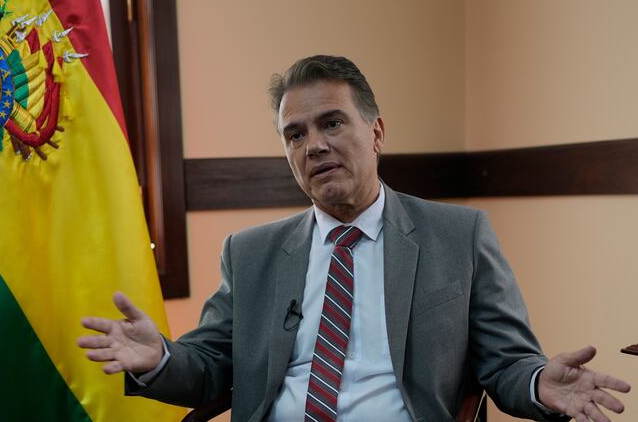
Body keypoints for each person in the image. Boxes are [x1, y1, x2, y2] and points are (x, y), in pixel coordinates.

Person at [78, 55, 630, 421]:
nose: (313, 145)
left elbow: (507, 362)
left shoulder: (457, 236)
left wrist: (539, 385)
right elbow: (209, 365)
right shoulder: (249, 253)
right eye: (295, 134)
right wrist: (158, 359)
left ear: (377, 132)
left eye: (332, 123)